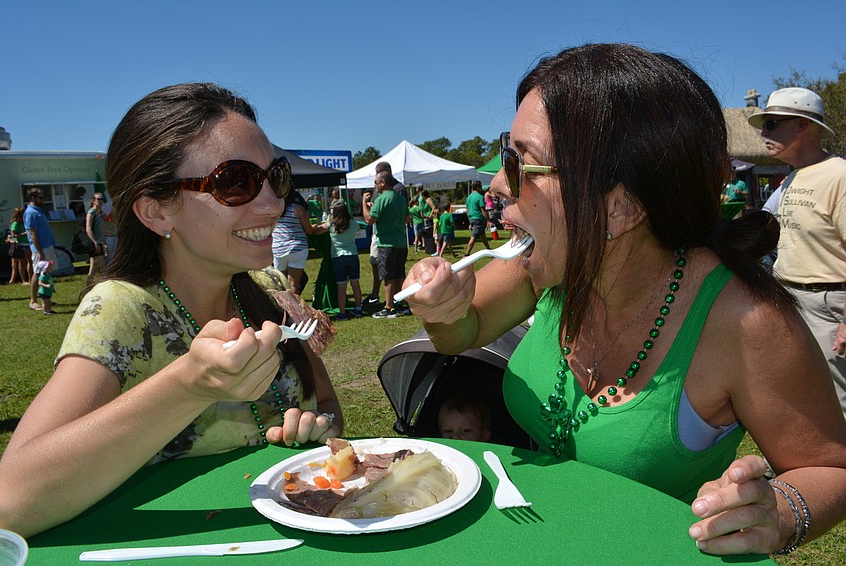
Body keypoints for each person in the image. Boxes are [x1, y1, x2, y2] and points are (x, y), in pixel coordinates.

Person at [403, 44, 846, 556]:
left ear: (619, 207)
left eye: (520, 162)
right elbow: (466, 332)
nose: (499, 183)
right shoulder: (549, 267)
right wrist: (446, 310)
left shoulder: (747, 323)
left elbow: (828, 466)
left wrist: (782, 509)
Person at [0, 82, 343, 537]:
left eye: (275, 177)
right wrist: (189, 385)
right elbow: (10, 503)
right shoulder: (121, 309)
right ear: (156, 212)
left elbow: (332, 407)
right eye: (237, 182)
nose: (273, 203)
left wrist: (315, 429)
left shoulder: (272, 288)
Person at [748, 87, 846, 423]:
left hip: (828, 303)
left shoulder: (839, 176)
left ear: (803, 125)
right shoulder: (789, 180)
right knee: (805, 397)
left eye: (772, 123)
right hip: (791, 297)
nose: (764, 133)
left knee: (838, 402)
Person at [362, 171, 410, 318]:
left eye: (376, 182)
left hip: (386, 243)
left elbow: (369, 219)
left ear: (383, 183)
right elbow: (407, 219)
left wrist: (364, 203)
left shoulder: (382, 199)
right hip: (401, 242)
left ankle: (389, 308)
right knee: (399, 275)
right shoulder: (400, 199)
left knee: (388, 277)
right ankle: (400, 304)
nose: (375, 186)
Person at [271, 187, 324, 294]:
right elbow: (309, 230)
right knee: (293, 284)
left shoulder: (275, 210)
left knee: (280, 285)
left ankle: (281, 310)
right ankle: (294, 310)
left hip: (277, 249)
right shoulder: (298, 209)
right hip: (296, 248)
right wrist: (315, 226)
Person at [321, 203, 363, 320]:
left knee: (341, 287)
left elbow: (318, 230)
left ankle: (342, 312)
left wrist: (329, 218)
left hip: (338, 257)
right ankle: (359, 309)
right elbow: (359, 226)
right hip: (352, 255)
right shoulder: (353, 224)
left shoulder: (331, 224)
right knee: (355, 284)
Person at [23, 188, 58, 310]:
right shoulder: (30, 212)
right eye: (40, 197)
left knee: (46, 272)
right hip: (40, 249)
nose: (43, 200)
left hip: (47, 246)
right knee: (37, 273)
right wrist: (40, 252)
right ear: (32, 197)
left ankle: (46, 299)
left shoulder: (38, 211)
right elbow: (32, 234)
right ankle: (33, 301)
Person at [85, 192, 107, 284]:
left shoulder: (100, 213)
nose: (100, 201)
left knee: (93, 270)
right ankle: (105, 288)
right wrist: (95, 242)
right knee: (102, 269)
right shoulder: (91, 212)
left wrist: (104, 244)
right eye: (98, 199)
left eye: (102, 199)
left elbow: (101, 230)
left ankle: (88, 288)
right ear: (94, 201)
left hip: (100, 242)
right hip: (94, 243)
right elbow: (88, 228)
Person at [464, 180, 490, 255]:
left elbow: (467, 210)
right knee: (474, 236)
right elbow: (483, 209)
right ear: (478, 187)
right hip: (478, 218)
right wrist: (488, 220)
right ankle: (467, 253)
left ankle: (488, 249)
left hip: (471, 218)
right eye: (480, 186)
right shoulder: (480, 197)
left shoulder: (468, 197)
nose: (481, 188)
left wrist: (469, 220)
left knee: (483, 235)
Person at [7, 207, 30, 285]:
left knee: (26, 263)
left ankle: (24, 280)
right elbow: (14, 236)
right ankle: (23, 280)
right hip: (19, 245)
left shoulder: (25, 223)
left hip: (27, 244)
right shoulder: (15, 224)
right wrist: (24, 233)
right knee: (20, 263)